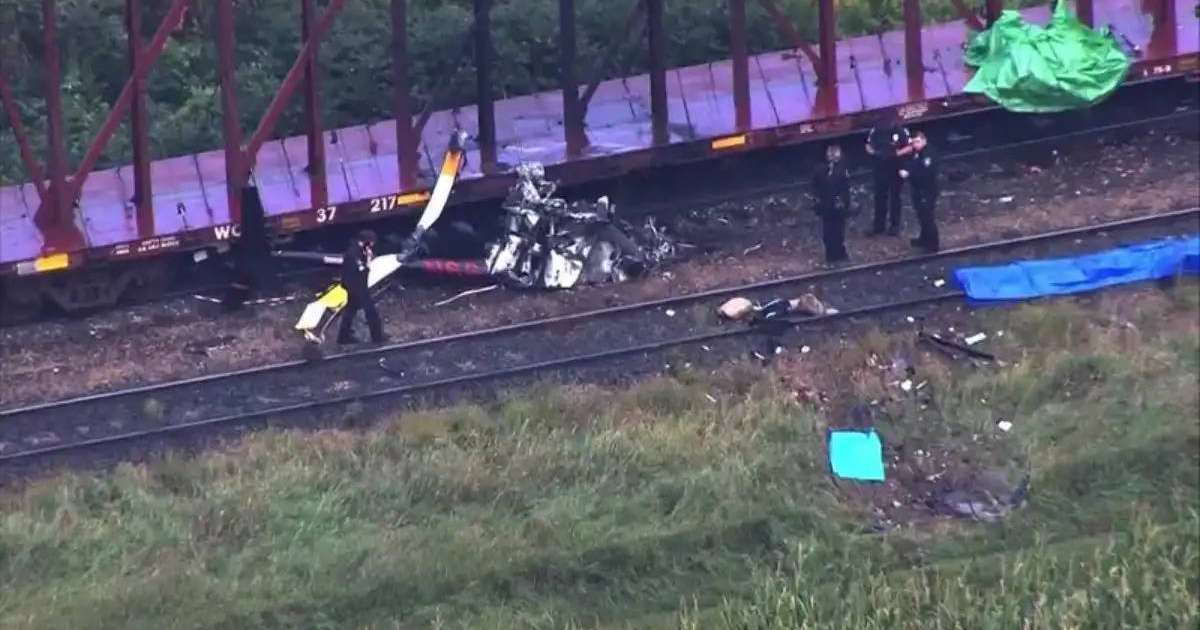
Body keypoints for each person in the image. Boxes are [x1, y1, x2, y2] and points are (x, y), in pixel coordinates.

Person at [864, 113, 912, 236]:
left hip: (895, 167)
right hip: (880, 168)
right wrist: (874, 153)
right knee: (879, 197)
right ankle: (878, 226)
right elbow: (868, 145)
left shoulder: (900, 131)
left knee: (895, 197)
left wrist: (897, 154)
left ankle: (894, 226)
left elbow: (909, 147)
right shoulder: (876, 130)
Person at [337, 229, 385, 345]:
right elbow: (360, 271)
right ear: (366, 241)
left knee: (350, 311)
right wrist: (368, 262)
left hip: (356, 286)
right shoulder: (354, 254)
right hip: (357, 287)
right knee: (371, 312)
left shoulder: (359, 250)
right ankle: (377, 338)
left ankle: (343, 337)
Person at [812, 144, 851, 264]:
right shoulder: (841, 170)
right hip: (834, 205)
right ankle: (837, 253)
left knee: (830, 230)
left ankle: (832, 254)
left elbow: (815, 187)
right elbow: (845, 188)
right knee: (836, 230)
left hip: (828, 205)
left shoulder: (820, 169)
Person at [901, 131, 939, 252]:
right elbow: (913, 164)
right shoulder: (917, 153)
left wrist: (909, 174)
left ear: (924, 140)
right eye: (913, 142)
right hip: (918, 189)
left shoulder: (928, 154)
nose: (915, 144)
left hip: (927, 190)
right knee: (922, 216)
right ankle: (924, 239)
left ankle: (933, 244)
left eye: (918, 141)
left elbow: (926, 173)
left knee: (927, 217)